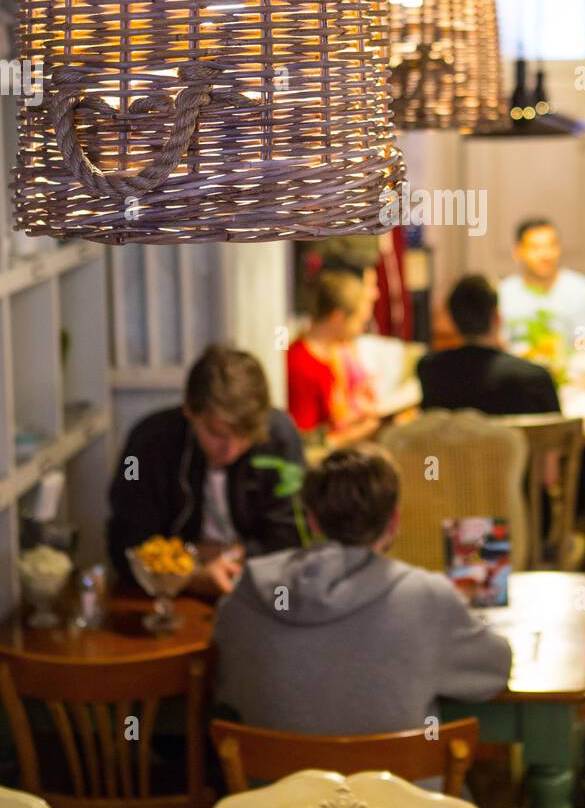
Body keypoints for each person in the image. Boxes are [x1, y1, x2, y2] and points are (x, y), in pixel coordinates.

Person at [214, 445, 513, 736]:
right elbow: (495, 672)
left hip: (277, 786)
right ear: (394, 520)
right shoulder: (428, 598)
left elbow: (224, 682)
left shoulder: (249, 591)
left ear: (312, 519)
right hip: (398, 786)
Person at [108, 345, 306, 597]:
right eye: (216, 434)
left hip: (261, 592)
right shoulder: (148, 442)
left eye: (244, 436)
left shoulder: (279, 436)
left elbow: (291, 540)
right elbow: (126, 544)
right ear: (189, 410)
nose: (231, 449)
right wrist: (191, 576)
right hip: (169, 595)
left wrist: (221, 554)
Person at [418, 275, 560, 415]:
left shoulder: (430, 369)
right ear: (497, 318)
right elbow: (561, 433)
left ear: (452, 321)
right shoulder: (535, 377)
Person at [498, 218, 585, 376]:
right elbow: (500, 343)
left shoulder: (582, 290)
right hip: (516, 378)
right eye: (535, 248)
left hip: (569, 377)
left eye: (551, 245)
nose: (545, 254)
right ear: (518, 252)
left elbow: (583, 344)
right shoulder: (504, 293)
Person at [286, 270, 381, 446]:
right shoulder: (302, 365)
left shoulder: (336, 352)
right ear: (338, 318)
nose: (360, 329)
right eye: (359, 321)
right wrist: (355, 433)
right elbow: (304, 443)